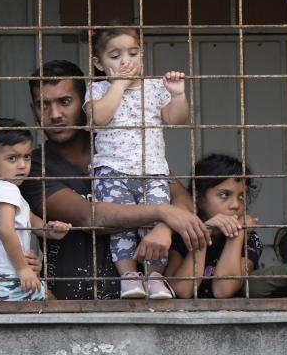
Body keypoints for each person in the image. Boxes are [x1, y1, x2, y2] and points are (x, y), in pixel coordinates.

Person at [23, 60, 211, 300]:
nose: (55, 115)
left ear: (85, 102)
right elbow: (89, 217)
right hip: (70, 302)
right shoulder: (33, 165)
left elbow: (182, 200)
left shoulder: (124, 146)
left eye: (65, 101)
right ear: (33, 110)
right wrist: (163, 213)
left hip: (143, 299)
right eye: (43, 105)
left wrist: (165, 227)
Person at [83, 26, 190, 298]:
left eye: (132, 53)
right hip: (112, 170)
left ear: (142, 55)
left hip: (153, 171)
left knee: (153, 224)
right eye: (115, 56)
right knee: (122, 226)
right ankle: (129, 277)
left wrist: (177, 94)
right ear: (99, 63)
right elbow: (99, 117)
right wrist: (118, 83)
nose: (125, 61)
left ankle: (155, 277)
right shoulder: (97, 89)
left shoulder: (155, 87)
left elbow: (175, 119)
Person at [0, 118, 71, 302]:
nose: (22, 165)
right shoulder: (7, 189)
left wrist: (49, 230)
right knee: (54, 306)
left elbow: (30, 219)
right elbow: (6, 230)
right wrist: (23, 268)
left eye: (27, 156)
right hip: (3, 279)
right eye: (12, 158)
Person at [167, 153, 262, 299]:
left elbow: (224, 290)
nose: (236, 205)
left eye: (242, 196)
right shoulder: (181, 235)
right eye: (224, 194)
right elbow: (181, 290)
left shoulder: (249, 238)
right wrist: (203, 233)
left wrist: (237, 234)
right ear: (199, 197)